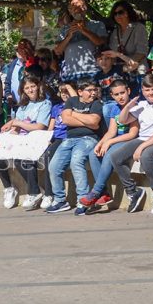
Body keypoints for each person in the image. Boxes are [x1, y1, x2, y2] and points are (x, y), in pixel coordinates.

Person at [109, 74, 153, 213]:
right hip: (144, 139)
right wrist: (128, 106)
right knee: (116, 157)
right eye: (147, 90)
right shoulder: (142, 105)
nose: (151, 93)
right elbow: (123, 121)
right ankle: (132, 191)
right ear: (142, 90)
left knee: (147, 157)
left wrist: (141, 147)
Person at [0, 77, 52, 210]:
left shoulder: (45, 104)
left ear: (38, 86)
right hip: (22, 138)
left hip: (36, 137)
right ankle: (9, 188)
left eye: (32, 86)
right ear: (23, 91)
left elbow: (39, 126)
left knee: (22, 158)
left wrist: (16, 123)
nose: (30, 90)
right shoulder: (23, 106)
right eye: (27, 88)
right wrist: (4, 139)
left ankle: (34, 191)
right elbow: (16, 128)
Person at [45, 80, 104, 215]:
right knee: (53, 166)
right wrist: (87, 120)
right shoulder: (71, 101)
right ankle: (60, 200)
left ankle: (83, 200)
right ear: (80, 92)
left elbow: (94, 122)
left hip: (88, 139)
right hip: (69, 139)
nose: (93, 93)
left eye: (94, 90)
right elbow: (66, 119)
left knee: (76, 162)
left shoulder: (96, 104)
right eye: (89, 90)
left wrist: (74, 114)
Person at [79, 80, 140, 209]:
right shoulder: (114, 108)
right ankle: (104, 193)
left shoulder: (135, 107)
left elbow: (132, 134)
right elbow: (112, 131)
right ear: (112, 95)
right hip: (117, 139)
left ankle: (96, 191)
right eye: (116, 94)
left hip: (130, 141)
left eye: (122, 93)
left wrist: (110, 142)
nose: (120, 97)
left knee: (109, 155)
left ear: (128, 91)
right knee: (93, 154)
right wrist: (101, 143)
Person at [54, 0, 107, 82]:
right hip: (71, 72)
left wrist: (83, 30)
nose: (77, 10)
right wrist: (68, 36)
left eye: (79, 7)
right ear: (70, 11)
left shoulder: (97, 24)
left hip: (93, 70)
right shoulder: (64, 29)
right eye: (73, 8)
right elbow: (58, 51)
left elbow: (100, 42)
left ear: (85, 8)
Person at [39, 83, 76, 209]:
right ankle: (48, 192)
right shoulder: (56, 107)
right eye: (62, 92)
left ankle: (50, 194)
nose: (65, 94)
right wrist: (47, 138)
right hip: (55, 138)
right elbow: (52, 126)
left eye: (67, 91)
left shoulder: (75, 106)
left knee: (49, 157)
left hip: (66, 138)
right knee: (46, 155)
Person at [107, 0, 149, 65]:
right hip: (120, 70)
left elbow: (141, 53)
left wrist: (129, 65)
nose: (117, 15)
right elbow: (113, 52)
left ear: (128, 12)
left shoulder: (139, 28)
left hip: (138, 69)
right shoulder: (115, 31)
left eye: (120, 12)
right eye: (115, 14)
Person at [4, 38, 35, 112]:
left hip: (31, 106)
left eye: (24, 48)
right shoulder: (13, 64)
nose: (20, 51)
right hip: (15, 106)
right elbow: (8, 82)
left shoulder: (34, 63)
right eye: (18, 49)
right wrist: (8, 95)